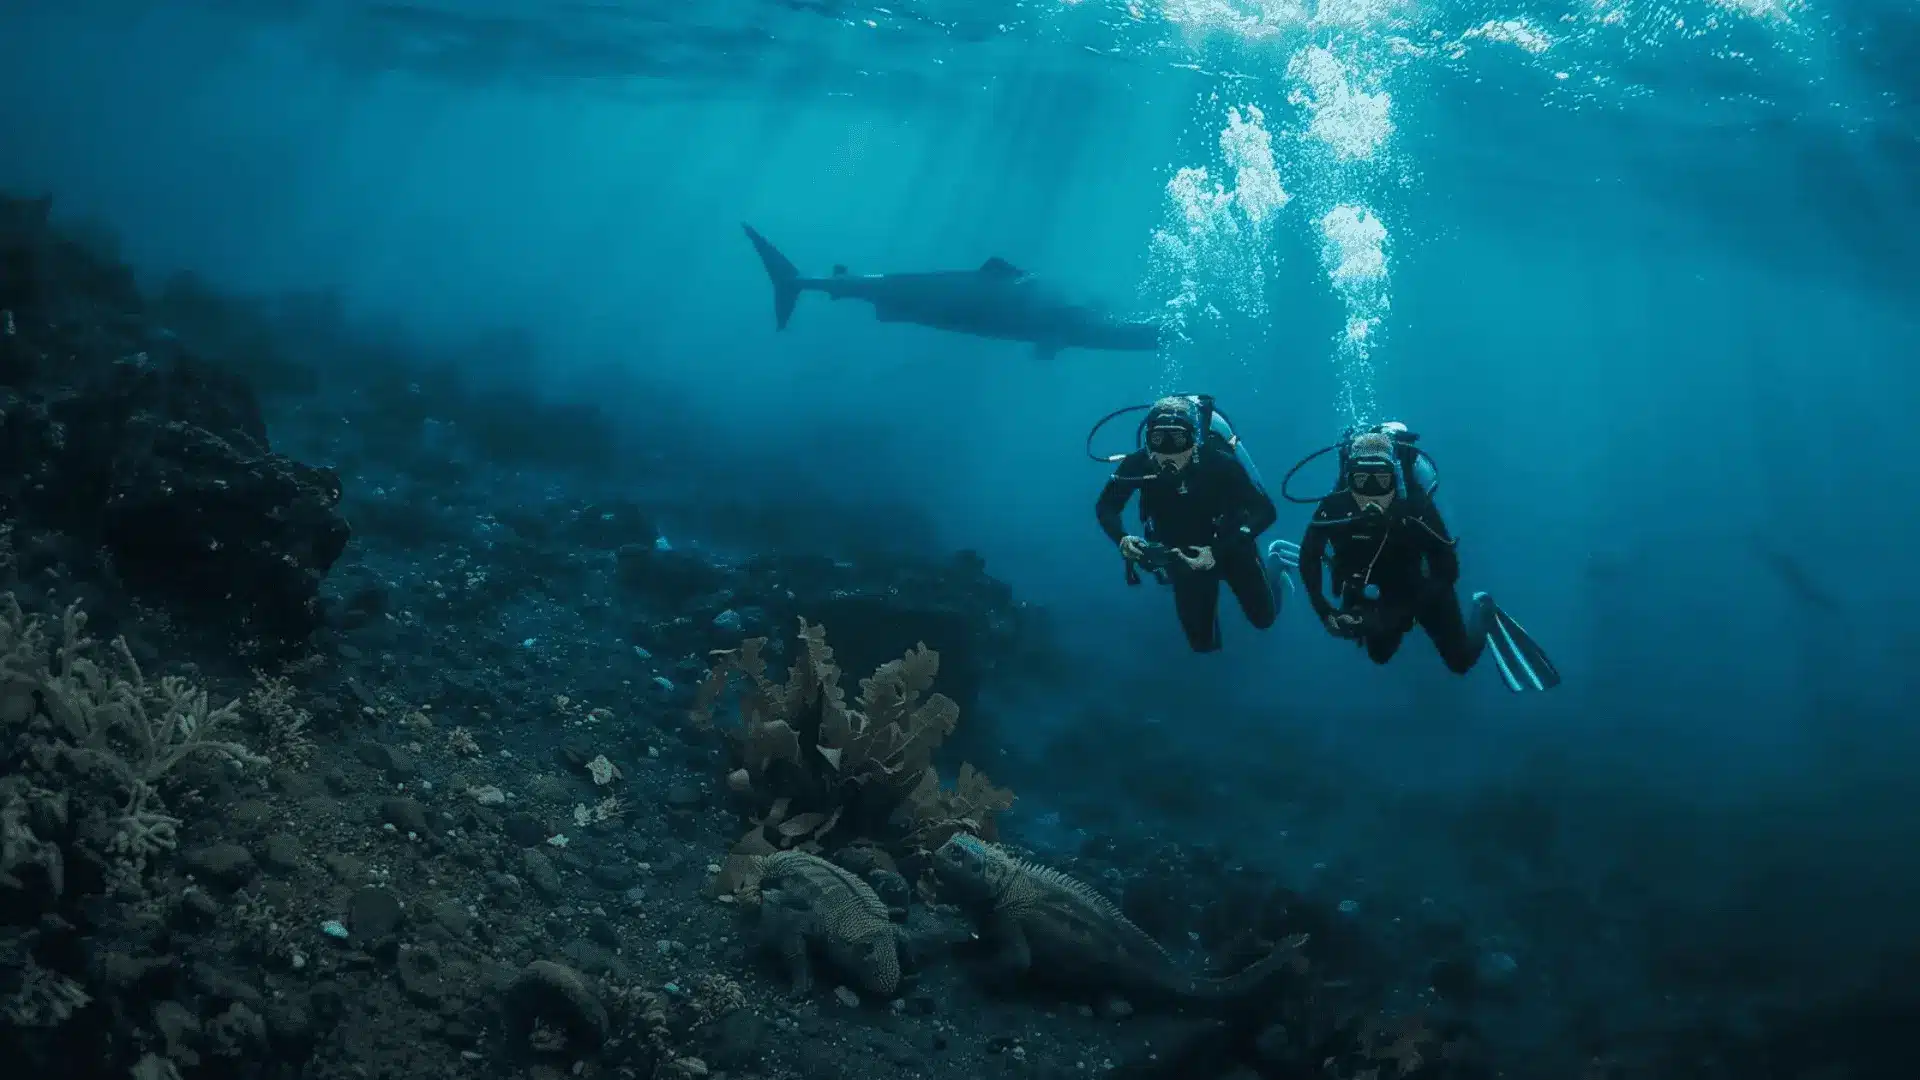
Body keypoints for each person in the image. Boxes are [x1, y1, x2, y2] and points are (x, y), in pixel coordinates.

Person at [1274, 422, 1561, 692]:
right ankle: (1396, 627)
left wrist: (1395, 614)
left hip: (1420, 584)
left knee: (1460, 662)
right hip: (1373, 585)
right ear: (1349, 480)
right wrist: (1325, 611)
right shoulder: (1336, 505)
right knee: (1379, 655)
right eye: (1362, 481)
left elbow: (1447, 571)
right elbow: (1309, 556)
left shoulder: (1414, 506)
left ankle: (1484, 607)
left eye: (1381, 481)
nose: (1371, 494)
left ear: (1394, 478)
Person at [1091, 395, 1293, 653]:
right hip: (1182, 553)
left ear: (1194, 440)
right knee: (1202, 645)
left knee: (1264, 620)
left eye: (1178, 439)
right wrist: (1122, 539)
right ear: (1148, 440)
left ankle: (1275, 565)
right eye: (1157, 440)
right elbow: (1106, 507)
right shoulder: (1138, 463)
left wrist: (1217, 552)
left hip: (1231, 545)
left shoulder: (1219, 462)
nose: (1168, 453)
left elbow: (1265, 511)